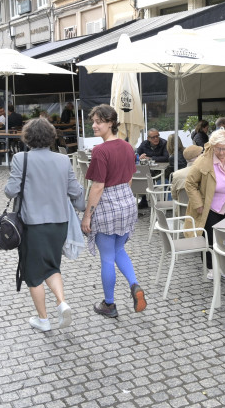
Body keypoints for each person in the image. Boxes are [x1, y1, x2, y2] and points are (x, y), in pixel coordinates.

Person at [4, 118, 85, 332]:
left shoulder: (21, 158)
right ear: (51, 136)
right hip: (59, 224)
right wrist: (87, 210)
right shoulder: (62, 160)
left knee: (33, 273)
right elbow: (76, 192)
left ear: (28, 137)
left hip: (33, 225)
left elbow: (10, 191)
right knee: (52, 266)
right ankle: (62, 302)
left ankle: (43, 319)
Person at [82, 104, 147, 318]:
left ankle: (109, 304)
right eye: (93, 121)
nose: (94, 125)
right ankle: (134, 285)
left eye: (98, 122)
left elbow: (98, 187)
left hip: (108, 204)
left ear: (111, 123)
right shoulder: (128, 147)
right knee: (119, 249)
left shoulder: (100, 151)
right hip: (127, 203)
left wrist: (87, 215)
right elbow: (129, 179)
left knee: (107, 258)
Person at [184, 128, 225, 279]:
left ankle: (224, 266)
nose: (222, 152)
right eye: (218, 149)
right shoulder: (203, 160)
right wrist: (198, 203)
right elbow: (190, 183)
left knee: (224, 237)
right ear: (212, 146)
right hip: (208, 206)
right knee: (210, 238)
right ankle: (211, 267)